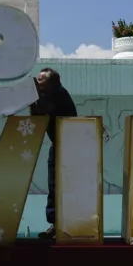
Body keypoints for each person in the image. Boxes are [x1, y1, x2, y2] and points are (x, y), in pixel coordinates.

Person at [29, 67, 78, 239]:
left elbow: (44, 108)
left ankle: (68, 224)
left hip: (70, 145)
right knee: (53, 184)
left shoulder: (60, 95)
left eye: (42, 81)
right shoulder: (47, 95)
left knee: (65, 185)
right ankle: (55, 223)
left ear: (53, 83)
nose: (38, 83)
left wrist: (33, 93)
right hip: (58, 144)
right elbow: (36, 117)